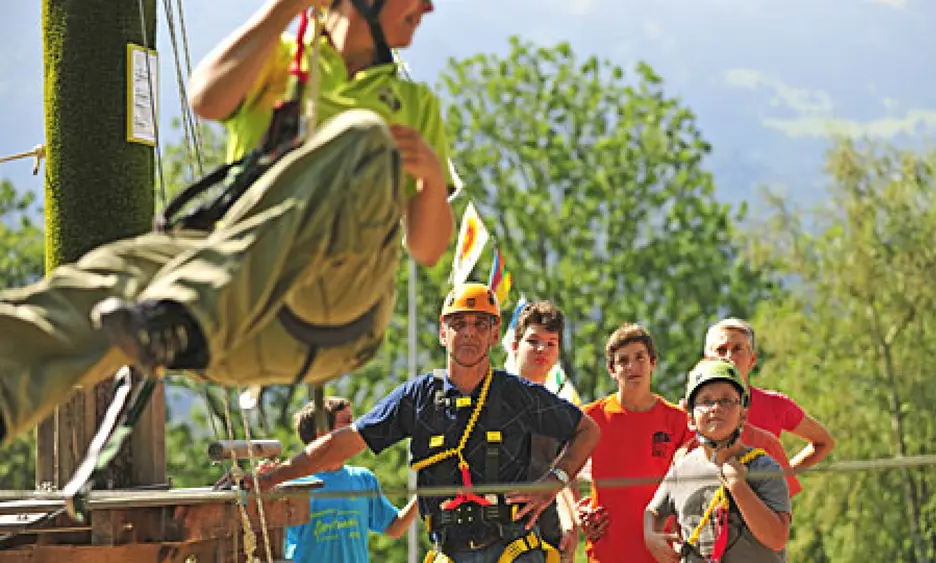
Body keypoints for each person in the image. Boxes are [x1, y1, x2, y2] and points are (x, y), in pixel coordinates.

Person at [0, 0, 454, 447]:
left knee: (365, 136)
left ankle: (190, 307)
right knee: (107, 274)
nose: (430, 9)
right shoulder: (278, 61)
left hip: (333, 309)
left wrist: (432, 177)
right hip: (229, 320)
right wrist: (285, 8)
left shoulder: (412, 103)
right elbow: (207, 99)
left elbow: (427, 249)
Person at [255, 283, 602, 562]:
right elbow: (344, 442)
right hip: (448, 550)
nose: (469, 333)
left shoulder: (517, 393)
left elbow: (588, 430)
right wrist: (274, 477)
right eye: (459, 323)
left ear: (495, 335)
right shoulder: (416, 397)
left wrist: (553, 481)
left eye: (481, 323)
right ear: (442, 332)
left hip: (513, 550)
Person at [644, 360, 792, 563]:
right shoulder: (681, 470)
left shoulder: (764, 468)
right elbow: (653, 511)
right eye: (705, 401)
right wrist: (651, 535)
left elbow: (777, 538)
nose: (715, 408)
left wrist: (739, 487)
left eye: (727, 401)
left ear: (743, 414)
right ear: (690, 418)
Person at [576, 324, 695, 563]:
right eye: (623, 361)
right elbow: (561, 468)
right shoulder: (589, 418)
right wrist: (578, 510)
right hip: (606, 554)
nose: (632, 367)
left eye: (639, 357)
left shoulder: (679, 420)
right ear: (612, 370)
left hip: (662, 554)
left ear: (653, 362)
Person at [284, 396, 419, 562]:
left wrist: (424, 493)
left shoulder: (363, 480)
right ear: (323, 434)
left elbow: (394, 528)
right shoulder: (292, 486)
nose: (356, 428)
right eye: (347, 422)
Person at [703, 318, 835, 472]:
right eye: (721, 350)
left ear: (752, 359)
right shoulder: (693, 411)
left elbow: (824, 442)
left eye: (738, 349)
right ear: (707, 359)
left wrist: (781, 478)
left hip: (761, 496)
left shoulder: (774, 405)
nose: (729, 357)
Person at [510, 301, 581, 560]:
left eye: (551, 343)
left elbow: (560, 471)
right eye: (534, 341)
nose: (542, 349)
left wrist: (569, 519)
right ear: (514, 346)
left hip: (547, 536)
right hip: (498, 535)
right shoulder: (492, 398)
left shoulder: (561, 410)